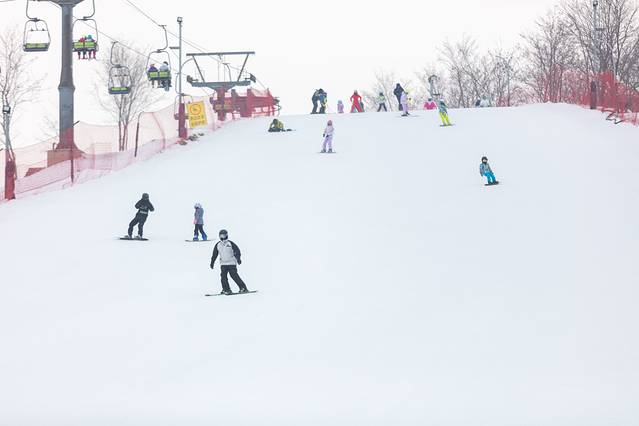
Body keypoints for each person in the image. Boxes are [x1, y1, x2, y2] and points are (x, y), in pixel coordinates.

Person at [210, 229, 249, 295]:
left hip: (231, 263)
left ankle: (243, 288)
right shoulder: (218, 245)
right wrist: (212, 262)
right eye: (221, 235)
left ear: (226, 235)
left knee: (234, 275)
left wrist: (238, 259)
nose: (222, 237)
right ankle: (226, 289)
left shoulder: (230, 243)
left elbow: (237, 251)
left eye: (224, 235)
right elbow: (214, 254)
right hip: (223, 264)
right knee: (223, 277)